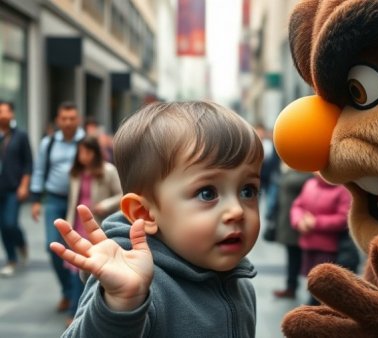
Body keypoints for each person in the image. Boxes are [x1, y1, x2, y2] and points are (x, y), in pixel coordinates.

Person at [51, 101, 264, 337]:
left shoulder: (240, 283)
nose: (237, 211)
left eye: (248, 190)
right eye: (207, 193)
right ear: (144, 213)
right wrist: (121, 306)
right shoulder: (135, 284)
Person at [30, 101, 85, 311]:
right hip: (53, 199)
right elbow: (39, 171)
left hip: (80, 200)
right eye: (65, 118)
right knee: (52, 247)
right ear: (58, 120)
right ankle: (67, 291)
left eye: (72, 118)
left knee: (77, 249)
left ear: (78, 119)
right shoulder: (49, 143)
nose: (69, 122)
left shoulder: (85, 142)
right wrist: (36, 199)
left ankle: (75, 296)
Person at [64, 135, 122, 325]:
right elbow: (73, 200)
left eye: (87, 152)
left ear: (95, 153)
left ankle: (78, 312)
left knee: (88, 269)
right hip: (77, 224)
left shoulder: (108, 170)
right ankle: (76, 309)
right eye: (80, 151)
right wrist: (68, 222)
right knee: (76, 269)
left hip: (96, 225)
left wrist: (105, 205)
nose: (83, 156)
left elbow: (122, 194)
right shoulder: (76, 172)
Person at [290, 172, 351, 305]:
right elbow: (297, 206)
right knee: (311, 280)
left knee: (323, 283)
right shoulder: (309, 184)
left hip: (328, 247)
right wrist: (298, 221)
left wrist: (316, 222)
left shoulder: (342, 189)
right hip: (308, 243)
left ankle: (315, 309)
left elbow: (343, 218)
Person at [269, 164, 312, 299]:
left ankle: (298, 287)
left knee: (300, 256)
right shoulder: (291, 171)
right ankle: (291, 286)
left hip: (298, 221)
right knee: (292, 255)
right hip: (287, 219)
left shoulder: (307, 174)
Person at [0, 101, 32, 277]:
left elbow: (28, 163)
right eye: (0, 111)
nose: (3, 114)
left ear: (12, 114)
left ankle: (21, 244)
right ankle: (11, 259)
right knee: (3, 227)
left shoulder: (20, 136)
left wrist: (24, 185)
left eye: (6, 111)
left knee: (10, 223)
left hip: (14, 188)